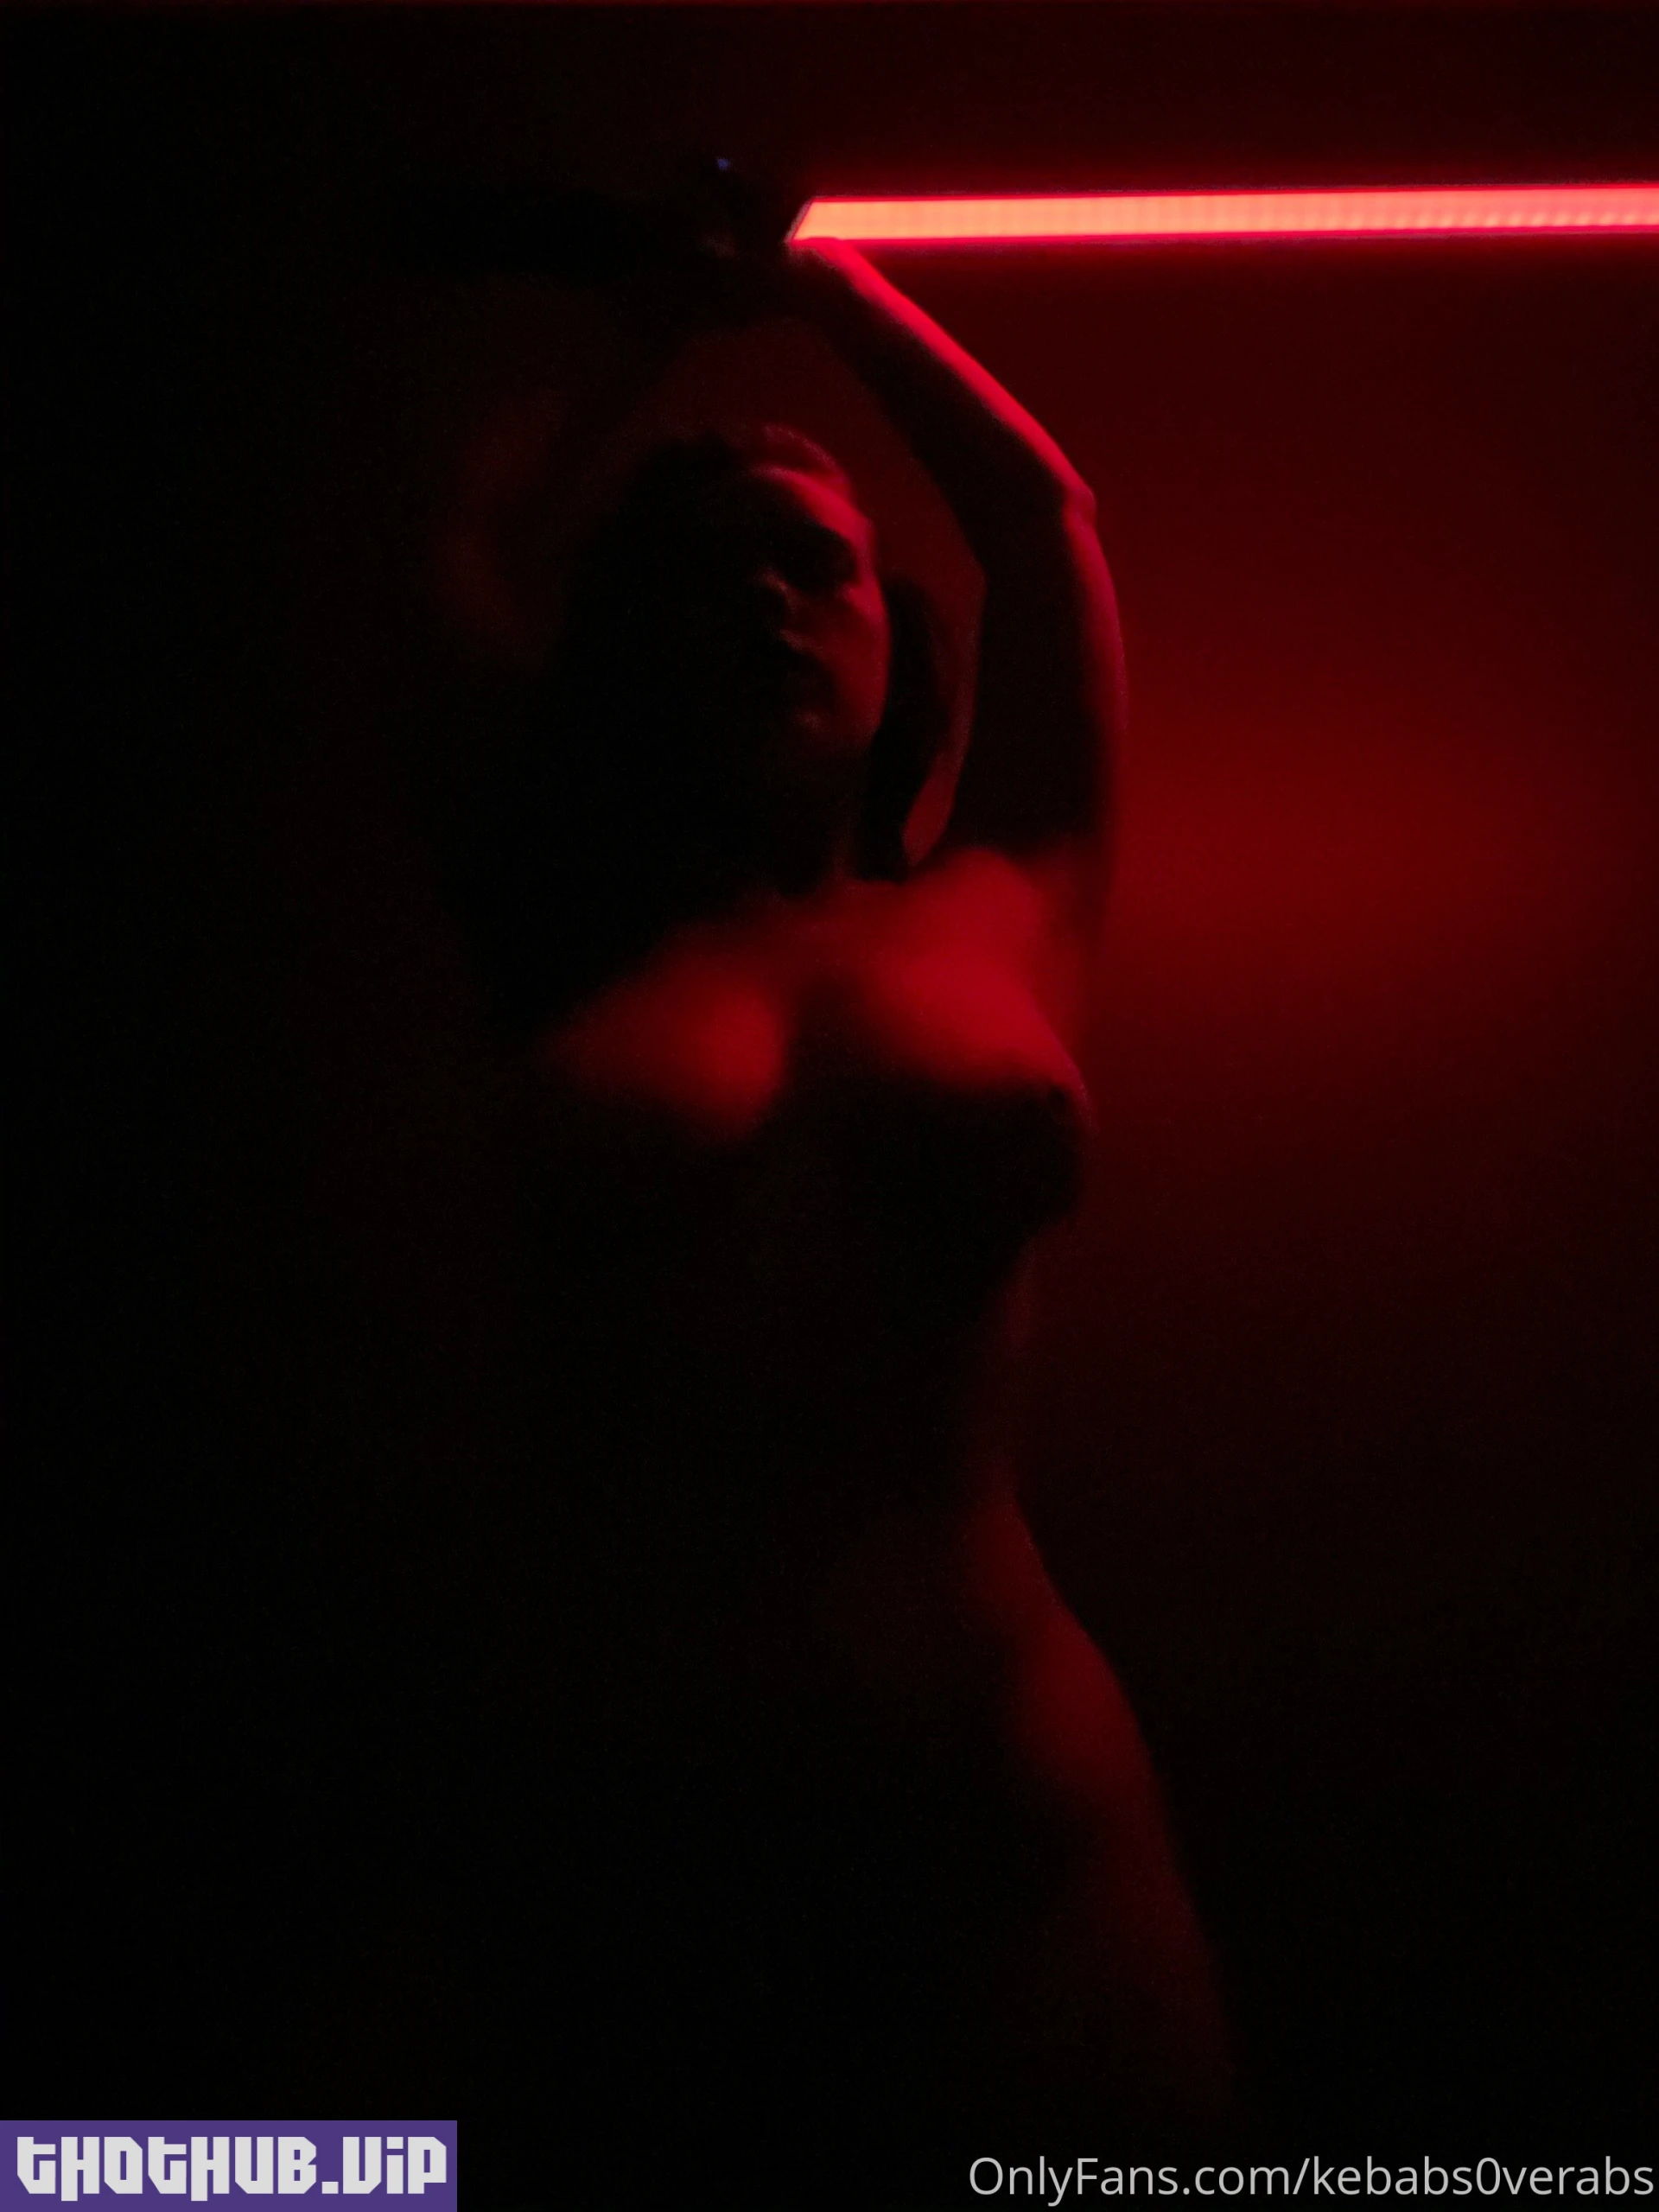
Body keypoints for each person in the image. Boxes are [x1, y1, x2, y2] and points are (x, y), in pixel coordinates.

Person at [448, 233, 1230, 2203]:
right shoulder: (561, 931)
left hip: (1009, 1800)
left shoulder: (1001, 901)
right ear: (632, 650)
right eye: (710, 577)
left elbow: (1041, 520)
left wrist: (824, 280)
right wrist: (639, 314)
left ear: (897, 641)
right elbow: (457, 549)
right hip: (649, 1831)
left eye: (819, 563)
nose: (772, 602)